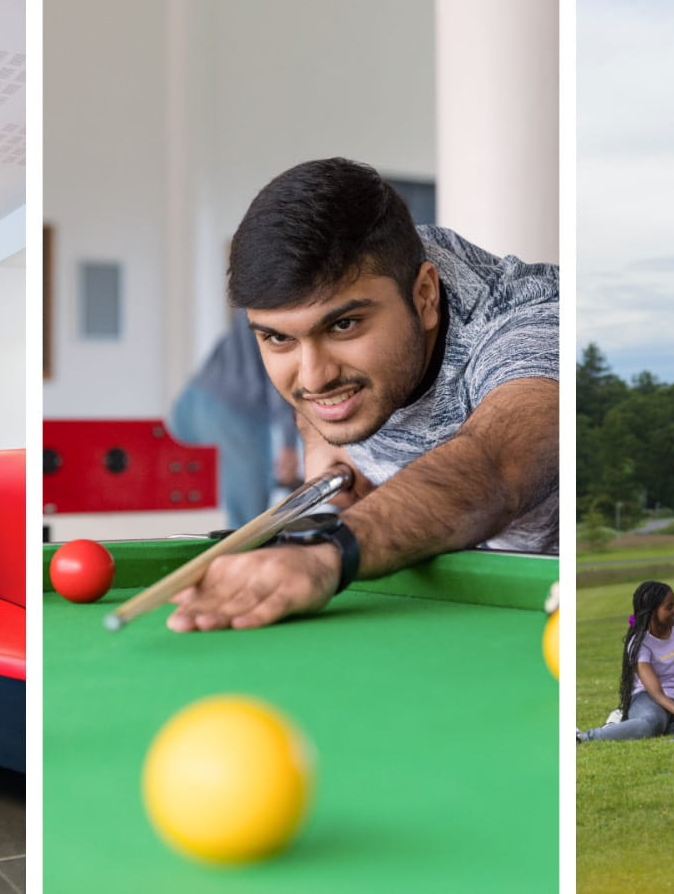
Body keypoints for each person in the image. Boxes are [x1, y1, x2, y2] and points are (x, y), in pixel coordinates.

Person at [166, 157, 559, 632]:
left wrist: (330, 553)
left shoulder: (532, 327)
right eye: (278, 338)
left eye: (344, 325)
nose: (314, 377)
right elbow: (309, 391)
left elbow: (497, 463)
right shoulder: (375, 286)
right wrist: (325, 441)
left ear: (425, 296)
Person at [167, 308, 302, 528]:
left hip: (191, 399)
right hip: (232, 411)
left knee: (199, 500)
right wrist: (288, 445)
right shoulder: (284, 306)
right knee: (249, 521)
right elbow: (279, 377)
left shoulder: (251, 295)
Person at [577, 581, 674, 742]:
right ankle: (582, 738)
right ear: (652, 612)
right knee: (651, 724)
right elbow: (656, 693)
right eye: (669, 607)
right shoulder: (639, 643)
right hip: (648, 699)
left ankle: (617, 724)